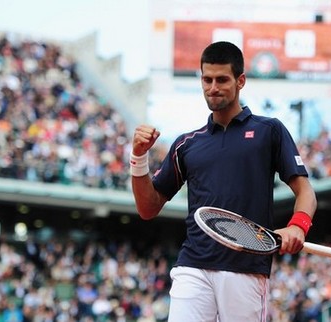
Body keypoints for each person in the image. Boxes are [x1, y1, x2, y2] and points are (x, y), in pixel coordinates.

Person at [130, 41, 317, 322]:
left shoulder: (270, 131)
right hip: (192, 265)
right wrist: (139, 158)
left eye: (222, 80)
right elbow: (148, 208)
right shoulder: (186, 144)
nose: (213, 87)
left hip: (246, 269)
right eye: (207, 79)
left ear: (241, 81)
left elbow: (306, 192)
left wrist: (298, 227)